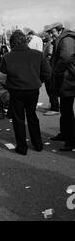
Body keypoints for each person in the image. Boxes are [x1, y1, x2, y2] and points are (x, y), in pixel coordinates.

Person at [0, 30, 51, 155]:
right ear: (25, 41)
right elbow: (47, 73)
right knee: (32, 116)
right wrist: (38, 81)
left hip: (16, 90)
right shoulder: (38, 55)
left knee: (18, 118)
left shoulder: (7, 57)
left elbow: (3, 72)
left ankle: (22, 147)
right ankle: (37, 144)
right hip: (33, 89)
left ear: (12, 43)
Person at [46, 22, 75, 151]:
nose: (51, 35)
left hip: (68, 79)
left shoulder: (66, 39)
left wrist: (57, 71)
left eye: (52, 32)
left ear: (59, 30)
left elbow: (66, 57)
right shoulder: (63, 38)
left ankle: (71, 140)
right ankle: (65, 134)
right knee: (65, 109)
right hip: (67, 78)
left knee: (67, 110)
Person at [42, 30, 60, 116]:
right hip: (48, 68)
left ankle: (55, 108)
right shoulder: (49, 43)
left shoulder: (51, 43)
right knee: (49, 88)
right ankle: (53, 105)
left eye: (46, 34)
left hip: (50, 69)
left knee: (51, 88)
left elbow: (49, 55)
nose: (44, 35)